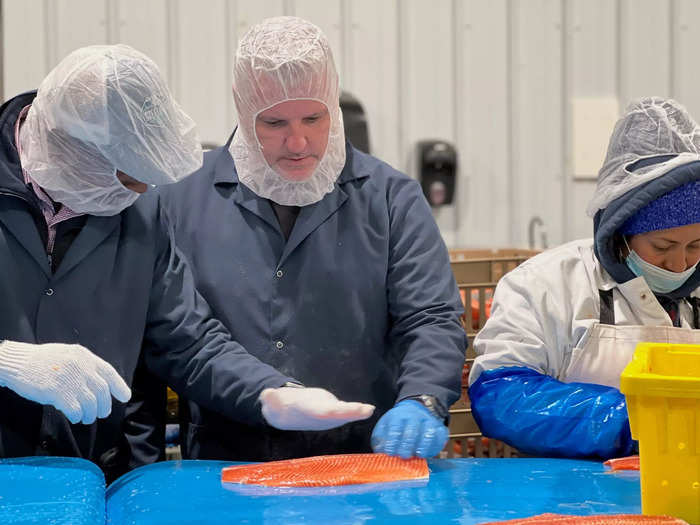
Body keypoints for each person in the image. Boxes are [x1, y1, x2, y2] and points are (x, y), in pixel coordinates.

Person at [0, 44, 374, 481]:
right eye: (125, 174)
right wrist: (7, 363)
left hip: (81, 478)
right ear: (70, 150)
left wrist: (270, 394)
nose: (138, 190)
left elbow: (187, 340)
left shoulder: (137, 208)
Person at [159, 16, 467, 462]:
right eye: (274, 123)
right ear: (243, 112)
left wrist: (423, 398)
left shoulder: (389, 197)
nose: (298, 141)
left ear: (333, 107)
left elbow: (430, 317)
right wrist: (265, 394)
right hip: (228, 460)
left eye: (313, 117)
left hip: (366, 455)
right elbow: (182, 335)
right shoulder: (183, 200)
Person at [468, 96, 700, 458]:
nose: (679, 263)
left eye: (696, 245)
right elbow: (503, 396)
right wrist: (633, 421)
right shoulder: (547, 284)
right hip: (571, 494)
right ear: (620, 231)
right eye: (663, 245)